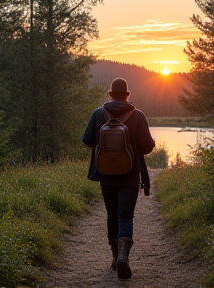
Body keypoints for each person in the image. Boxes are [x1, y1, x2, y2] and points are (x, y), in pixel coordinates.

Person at [82, 77, 155, 279]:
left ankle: (115, 258)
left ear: (111, 94)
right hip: (130, 175)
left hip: (105, 173)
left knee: (112, 215)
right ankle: (124, 255)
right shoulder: (138, 115)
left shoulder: (98, 114)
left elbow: (86, 139)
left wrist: (102, 145)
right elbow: (147, 147)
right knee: (125, 216)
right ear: (127, 95)